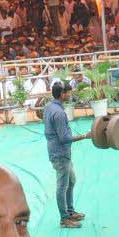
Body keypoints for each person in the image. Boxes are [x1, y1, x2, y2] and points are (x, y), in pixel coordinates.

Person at [44, 82, 90, 229]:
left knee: (71, 181)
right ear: (62, 94)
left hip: (58, 151)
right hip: (60, 153)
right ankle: (64, 219)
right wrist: (84, 136)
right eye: (68, 92)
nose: (70, 94)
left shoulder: (49, 107)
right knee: (62, 185)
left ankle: (70, 211)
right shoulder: (59, 113)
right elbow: (64, 138)